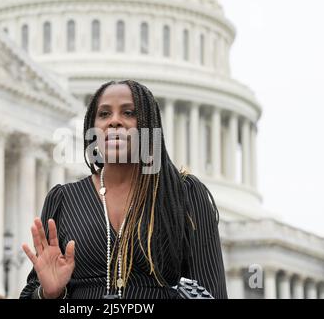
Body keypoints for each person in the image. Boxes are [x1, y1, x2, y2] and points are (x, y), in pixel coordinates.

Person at [19, 80, 228, 299]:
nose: (114, 121)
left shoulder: (184, 195)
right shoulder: (64, 199)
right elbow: (29, 294)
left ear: (148, 125)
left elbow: (211, 293)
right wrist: (49, 293)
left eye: (128, 113)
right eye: (104, 114)